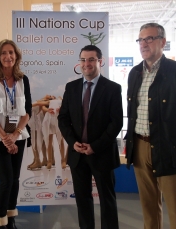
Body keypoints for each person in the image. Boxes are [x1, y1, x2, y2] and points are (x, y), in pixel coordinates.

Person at [125, 22, 176, 229]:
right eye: (141, 39)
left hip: (169, 147)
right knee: (148, 206)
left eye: (149, 38)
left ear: (163, 42)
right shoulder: (135, 73)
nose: (144, 43)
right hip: (140, 146)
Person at [58, 45, 123, 229]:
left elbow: (116, 123)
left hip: (101, 154)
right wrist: (72, 142)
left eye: (91, 59)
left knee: (107, 200)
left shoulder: (112, 88)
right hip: (77, 155)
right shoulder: (71, 88)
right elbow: (63, 119)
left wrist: (95, 146)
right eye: (83, 59)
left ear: (100, 61)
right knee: (82, 199)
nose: (87, 64)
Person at [0, 39, 32, 229]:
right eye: (4, 53)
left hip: (18, 137)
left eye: (11, 52)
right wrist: (5, 138)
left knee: (15, 179)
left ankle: (11, 218)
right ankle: (0, 221)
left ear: (16, 56)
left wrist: (15, 135)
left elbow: (27, 111)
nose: (8, 56)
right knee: (5, 181)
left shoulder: (23, 79)